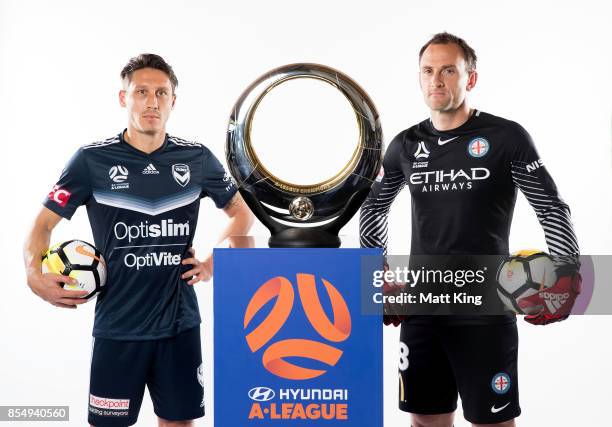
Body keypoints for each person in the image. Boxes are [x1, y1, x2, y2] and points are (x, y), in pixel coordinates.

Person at [360, 33, 581, 427]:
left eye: (448, 70)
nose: (436, 80)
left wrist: (568, 271)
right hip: (422, 310)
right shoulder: (405, 145)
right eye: (428, 71)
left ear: (470, 78)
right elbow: (375, 208)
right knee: (425, 420)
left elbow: (550, 207)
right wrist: (377, 276)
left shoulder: (506, 138)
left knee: (491, 423)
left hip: (485, 313)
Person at [23, 53, 254, 427]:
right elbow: (42, 225)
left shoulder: (195, 158)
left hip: (179, 323)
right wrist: (34, 275)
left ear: (173, 101)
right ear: (122, 98)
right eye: (141, 91)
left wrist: (213, 261)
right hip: (118, 326)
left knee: (179, 423)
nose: (152, 101)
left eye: (162, 93)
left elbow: (241, 213)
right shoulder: (90, 161)